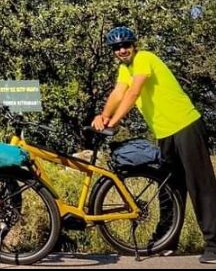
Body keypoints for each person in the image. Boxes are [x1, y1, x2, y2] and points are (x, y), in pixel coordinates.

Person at [92, 26, 216, 264]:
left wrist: (114, 123)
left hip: (186, 125)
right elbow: (119, 92)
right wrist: (103, 116)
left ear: (133, 45)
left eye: (125, 45)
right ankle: (168, 241)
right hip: (165, 133)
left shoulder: (144, 59)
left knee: (201, 186)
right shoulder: (124, 69)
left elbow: (134, 92)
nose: (122, 50)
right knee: (169, 187)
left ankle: (214, 244)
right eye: (117, 48)